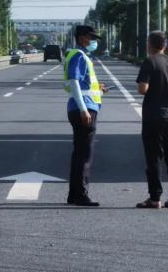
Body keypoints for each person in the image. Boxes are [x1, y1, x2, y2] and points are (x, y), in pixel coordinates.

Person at [135, 31, 168, 209]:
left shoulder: (150, 62)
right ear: (165, 45)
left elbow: (143, 88)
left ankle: (155, 198)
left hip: (154, 118)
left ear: (149, 44)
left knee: (154, 158)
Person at [63, 25, 106, 206]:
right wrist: (83, 109)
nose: (94, 41)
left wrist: (100, 90)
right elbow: (74, 82)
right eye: (91, 37)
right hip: (83, 110)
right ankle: (80, 194)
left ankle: (75, 194)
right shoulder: (79, 55)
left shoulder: (82, 56)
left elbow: (85, 86)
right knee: (84, 155)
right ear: (81, 38)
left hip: (84, 107)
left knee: (80, 153)